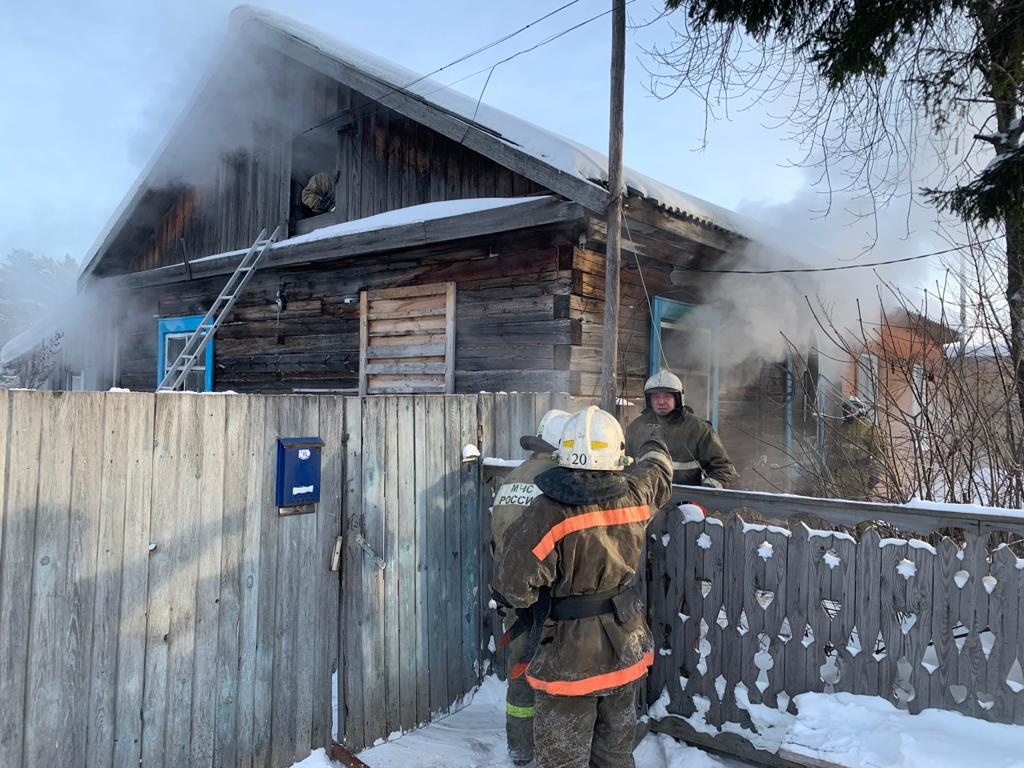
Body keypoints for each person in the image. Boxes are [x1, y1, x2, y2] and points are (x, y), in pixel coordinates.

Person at [492, 406, 673, 768]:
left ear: (563, 452)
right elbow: (659, 470)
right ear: (618, 454)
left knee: (563, 761)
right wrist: (651, 440)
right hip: (625, 646)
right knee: (614, 756)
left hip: (569, 659)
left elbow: (514, 585)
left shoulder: (548, 510)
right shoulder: (636, 495)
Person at [490, 408, 570, 766]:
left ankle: (520, 749)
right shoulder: (556, 480)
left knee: (520, 674)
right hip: (544, 598)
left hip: (512, 595)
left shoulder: (515, 476)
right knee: (550, 676)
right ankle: (550, 748)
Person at [625, 369, 736, 488]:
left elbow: (723, 469)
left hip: (684, 501)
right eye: (656, 397)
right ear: (649, 400)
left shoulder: (698, 429)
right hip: (645, 500)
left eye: (667, 396)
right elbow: (624, 465)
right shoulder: (637, 427)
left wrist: (703, 495)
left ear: (678, 398)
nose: (661, 402)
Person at [826, 395, 883, 501]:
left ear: (860, 410)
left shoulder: (869, 428)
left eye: (852, 409)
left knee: (860, 512)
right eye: (847, 410)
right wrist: (829, 471)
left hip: (860, 478)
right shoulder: (841, 429)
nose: (849, 412)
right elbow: (833, 452)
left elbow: (880, 454)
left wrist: (874, 476)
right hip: (840, 477)